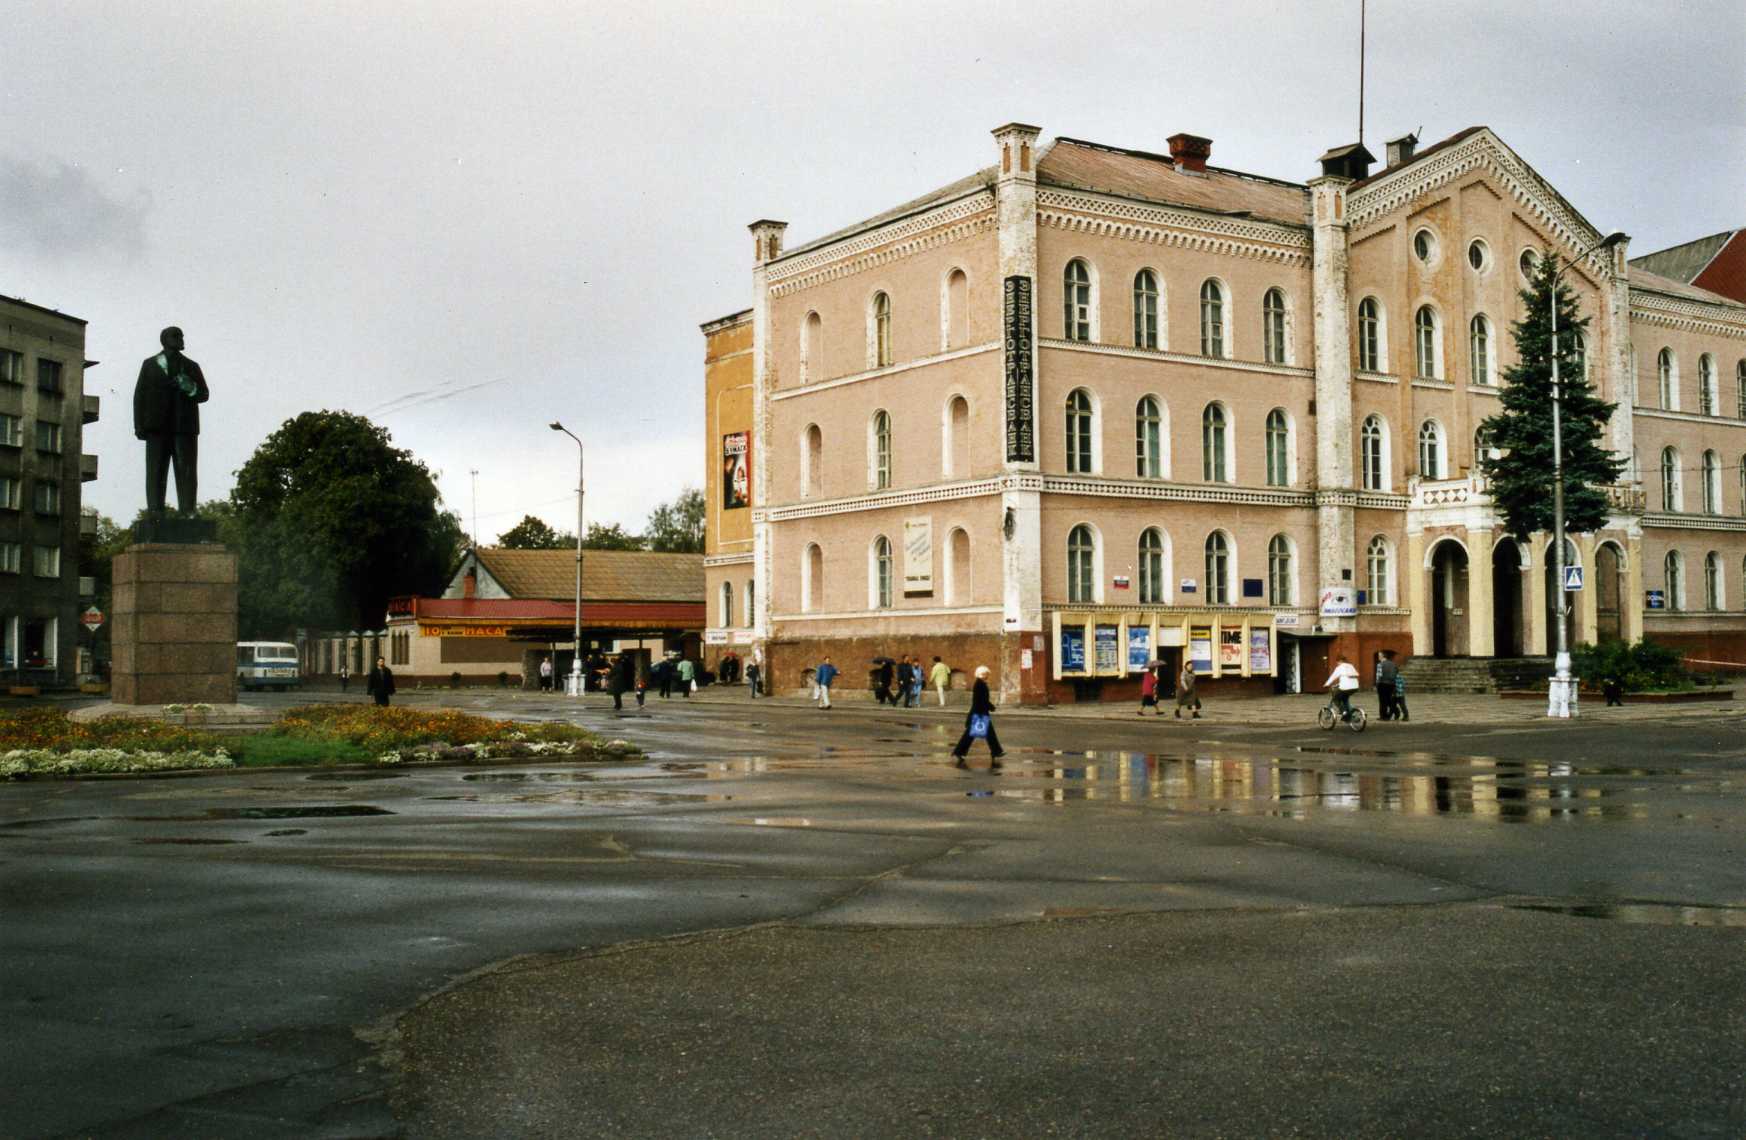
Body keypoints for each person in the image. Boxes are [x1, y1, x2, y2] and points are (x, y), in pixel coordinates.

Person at [133, 326, 210, 516]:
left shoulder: (192, 366)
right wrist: (139, 426)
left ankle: (188, 510)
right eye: (176, 336)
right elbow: (139, 396)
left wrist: (189, 386)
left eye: (182, 335)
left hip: (184, 427)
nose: (181, 339)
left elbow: (204, 394)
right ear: (165, 340)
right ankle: (155, 510)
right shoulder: (149, 364)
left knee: (187, 471)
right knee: (156, 471)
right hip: (156, 426)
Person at [950, 665, 1005, 768]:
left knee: (984, 734)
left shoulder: (980, 684)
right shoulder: (979, 684)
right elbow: (980, 700)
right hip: (979, 712)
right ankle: (959, 751)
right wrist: (990, 707)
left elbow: (982, 700)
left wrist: (989, 707)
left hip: (980, 712)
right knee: (972, 735)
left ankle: (995, 751)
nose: (988, 676)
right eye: (986, 674)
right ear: (982, 674)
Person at [1325, 654, 1362, 722]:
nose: (1337, 663)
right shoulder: (1351, 666)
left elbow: (1333, 676)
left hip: (1345, 687)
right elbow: (1348, 678)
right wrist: (1338, 684)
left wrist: (1326, 684)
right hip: (1355, 687)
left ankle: (1345, 713)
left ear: (1339, 661)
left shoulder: (1339, 667)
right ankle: (1352, 713)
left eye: (1337, 662)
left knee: (1335, 699)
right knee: (1345, 699)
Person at [1375, 649, 1400, 721]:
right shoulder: (1393, 664)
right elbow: (1397, 672)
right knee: (1389, 699)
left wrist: (1377, 684)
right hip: (1392, 684)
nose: (1378, 657)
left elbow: (1379, 676)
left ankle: (1383, 716)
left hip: (1382, 683)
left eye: (1379, 655)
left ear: (1383, 656)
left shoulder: (1380, 664)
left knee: (1382, 701)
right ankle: (1396, 711)